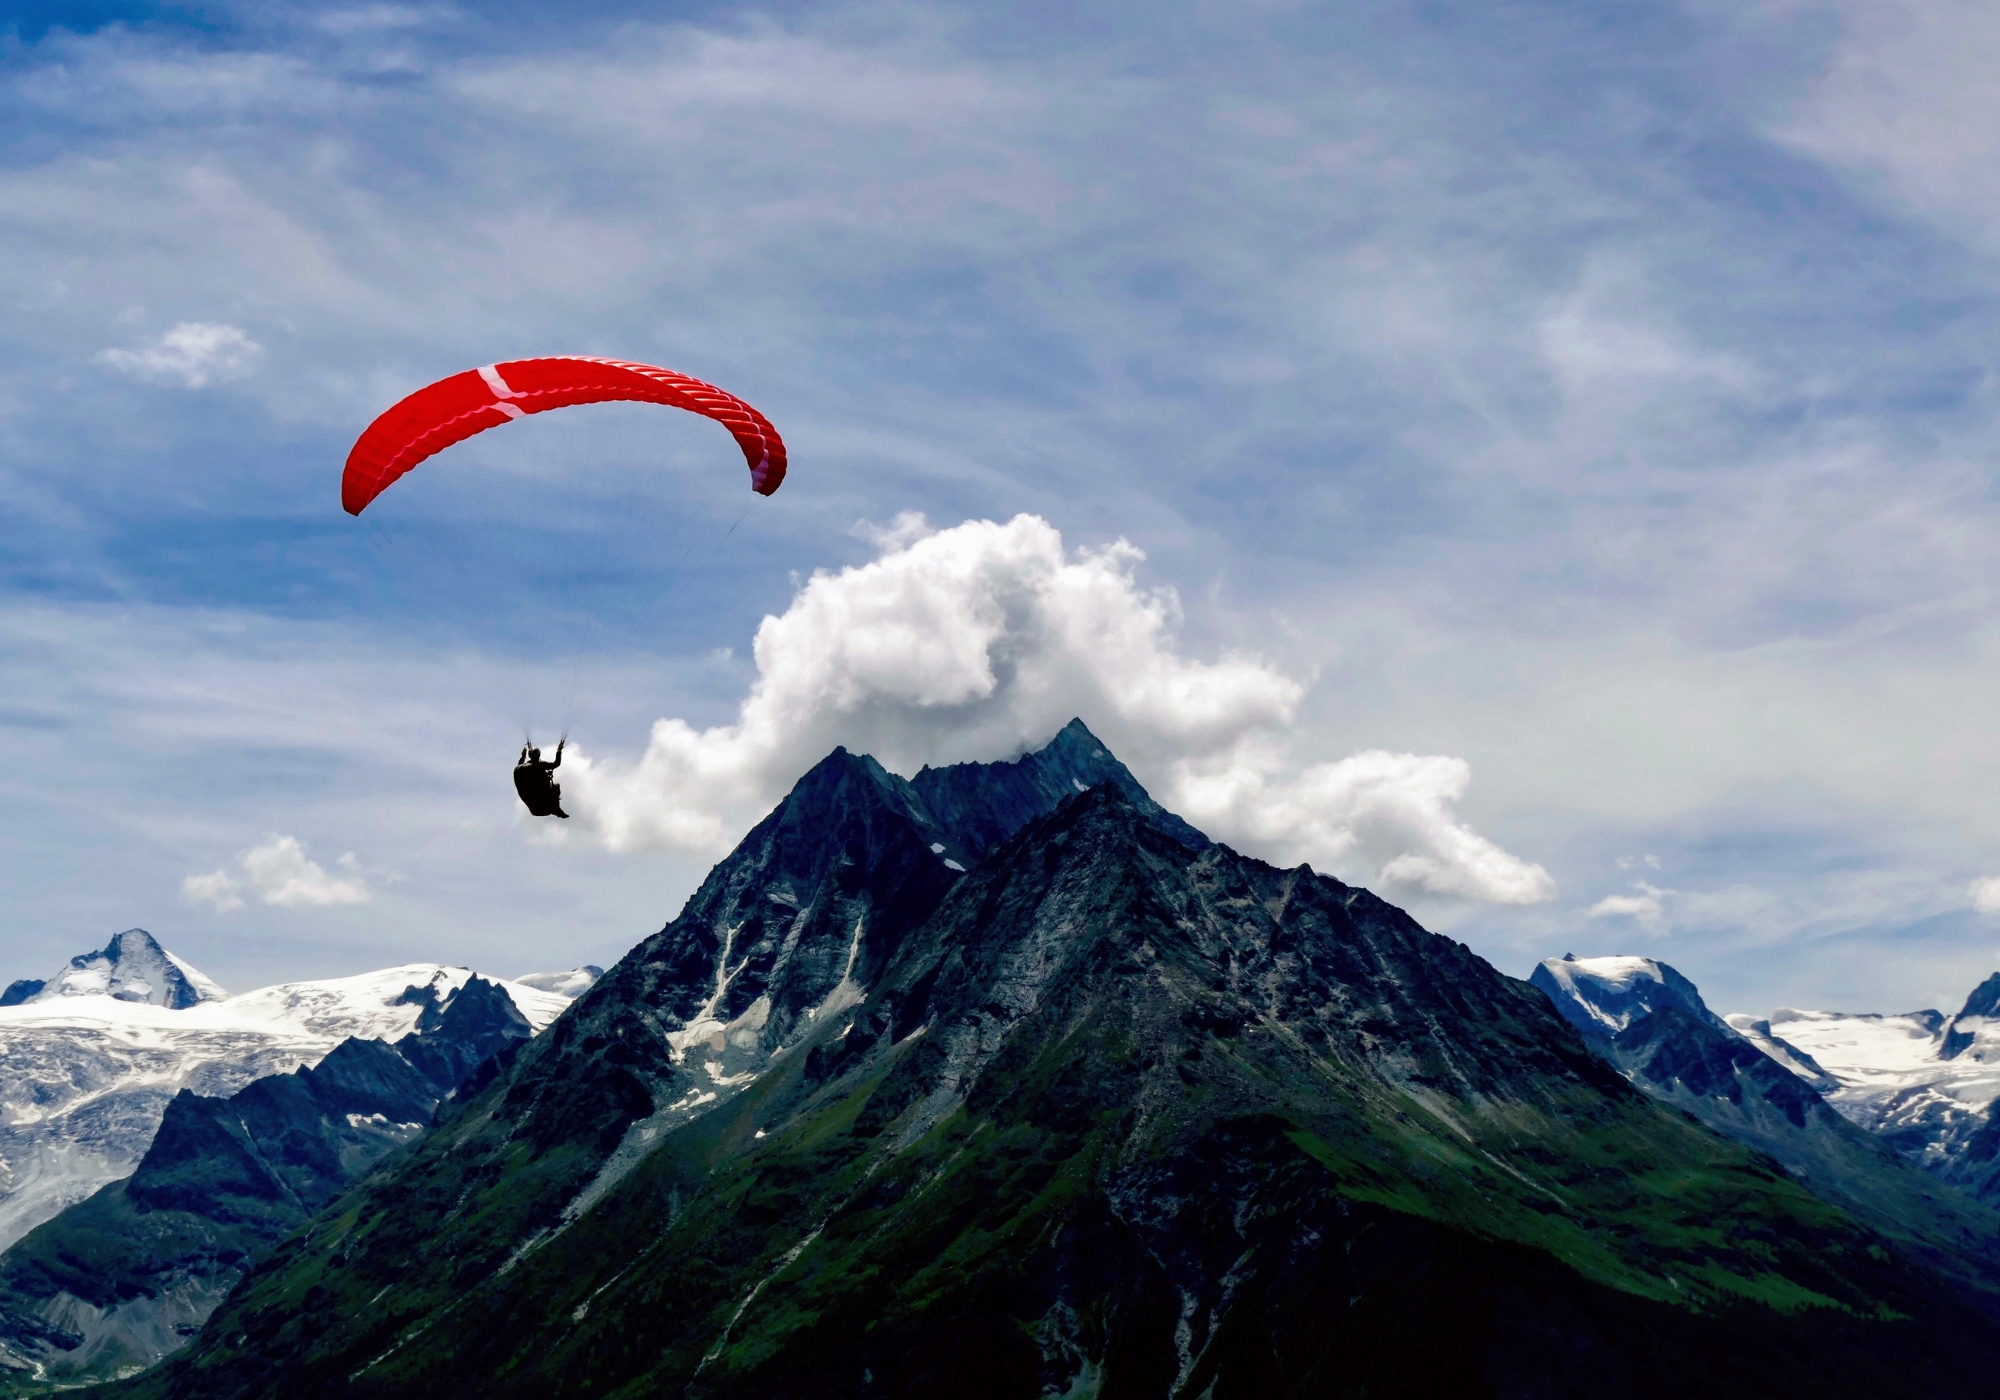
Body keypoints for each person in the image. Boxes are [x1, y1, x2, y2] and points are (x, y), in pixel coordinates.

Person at [513, 739, 568, 818]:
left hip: (533, 809)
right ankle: (557, 809)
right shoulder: (540, 765)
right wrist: (559, 750)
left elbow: (520, 765)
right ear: (539, 755)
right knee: (556, 787)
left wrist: (523, 757)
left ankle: (555, 809)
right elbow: (556, 763)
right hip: (544, 806)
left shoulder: (519, 769)